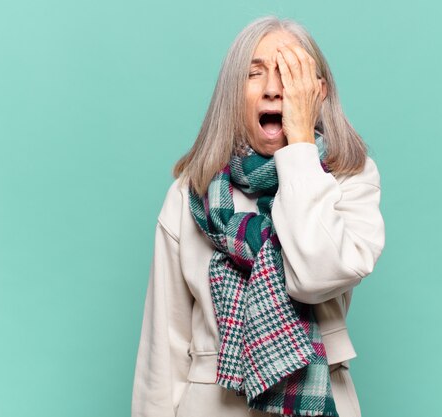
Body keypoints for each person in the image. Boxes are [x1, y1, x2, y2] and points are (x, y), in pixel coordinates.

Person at [131, 15, 385, 417]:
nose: (272, 89)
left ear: (316, 93)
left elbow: (315, 275)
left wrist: (299, 144)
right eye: (255, 74)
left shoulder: (350, 180)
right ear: (234, 94)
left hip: (318, 398)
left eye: (289, 74)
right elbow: (163, 349)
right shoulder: (190, 193)